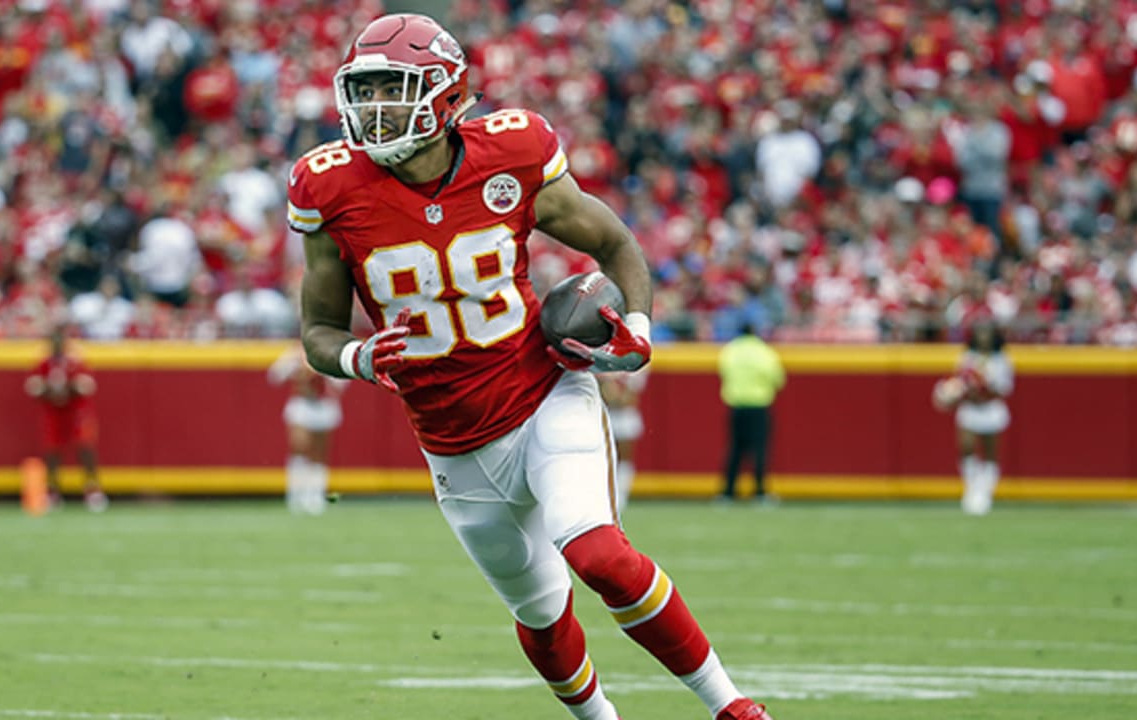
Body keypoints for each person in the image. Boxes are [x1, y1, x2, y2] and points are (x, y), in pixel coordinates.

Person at [288, 14, 772, 720]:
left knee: (601, 557)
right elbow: (318, 331)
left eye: (395, 89)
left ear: (447, 95)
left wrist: (636, 325)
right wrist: (357, 356)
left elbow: (613, 242)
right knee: (542, 615)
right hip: (452, 443)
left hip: (543, 393)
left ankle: (730, 707)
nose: (375, 109)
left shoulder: (512, 151)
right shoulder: (328, 186)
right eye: (365, 91)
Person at [24, 324, 107, 511]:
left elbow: (86, 385)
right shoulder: (45, 363)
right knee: (52, 450)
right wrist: (50, 391)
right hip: (54, 411)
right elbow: (33, 386)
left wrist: (64, 389)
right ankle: (53, 491)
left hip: (76, 409)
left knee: (85, 447)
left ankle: (92, 489)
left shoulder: (75, 361)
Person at [267, 343, 347, 515]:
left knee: (318, 455)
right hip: (302, 405)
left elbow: (341, 383)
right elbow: (274, 376)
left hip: (323, 406)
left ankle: (315, 496)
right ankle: (295, 494)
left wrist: (326, 370)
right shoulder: (296, 352)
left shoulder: (330, 353)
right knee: (299, 449)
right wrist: (293, 365)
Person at [718, 322, 786, 503]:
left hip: (737, 406)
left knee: (734, 450)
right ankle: (760, 492)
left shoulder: (730, 350)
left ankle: (727, 492)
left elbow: (724, 372)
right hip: (759, 405)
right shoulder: (764, 352)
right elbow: (778, 379)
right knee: (759, 451)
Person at [952, 318, 1014, 515]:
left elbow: (1004, 388)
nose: (983, 336)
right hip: (970, 408)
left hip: (990, 409)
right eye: (980, 332)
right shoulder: (967, 356)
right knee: (967, 447)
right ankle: (971, 488)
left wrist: (985, 390)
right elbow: (959, 380)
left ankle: (986, 491)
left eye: (987, 332)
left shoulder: (1001, 359)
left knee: (990, 452)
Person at [597, 369, 647, 511]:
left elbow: (628, 398)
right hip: (606, 414)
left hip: (625, 416)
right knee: (605, 458)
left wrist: (617, 396)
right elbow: (605, 392)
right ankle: (606, 494)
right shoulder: (603, 358)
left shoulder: (636, 365)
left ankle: (621, 495)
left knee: (624, 458)